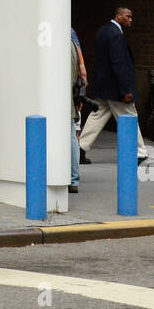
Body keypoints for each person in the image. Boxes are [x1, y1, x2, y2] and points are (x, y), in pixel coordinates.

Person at [79, 5, 149, 163]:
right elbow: (118, 63)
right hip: (116, 89)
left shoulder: (103, 31)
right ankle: (140, 152)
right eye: (128, 16)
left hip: (105, 87)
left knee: (98, 115)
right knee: (130, 116)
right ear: (118, 17)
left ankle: (80, 148)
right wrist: (126, 90)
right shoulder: (116, 35)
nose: (131, 20)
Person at [69, 28, 86, 193]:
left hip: (57, 100)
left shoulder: (55, 44)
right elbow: (82, 72)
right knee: (71, 136)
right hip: (70, 99)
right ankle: (73, 178)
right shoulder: (74, 43)